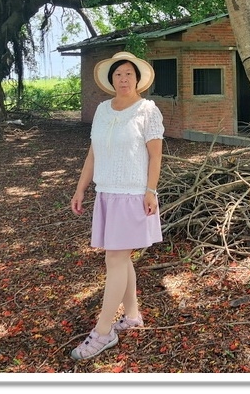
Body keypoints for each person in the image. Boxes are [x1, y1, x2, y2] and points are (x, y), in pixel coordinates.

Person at [69, 51, 164, 360]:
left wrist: (151, 190)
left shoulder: (147, 110)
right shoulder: (102, 110)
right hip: (107, 193)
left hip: (133, 195)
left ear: (137, 79)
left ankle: (103, 331)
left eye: (129, 74)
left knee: (115, 260)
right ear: (111, 79)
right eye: (118, 74)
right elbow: (93, 154)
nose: (124, 79)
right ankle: (133, 315)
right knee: (122, 260)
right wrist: (81, 189)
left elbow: (155, 155)